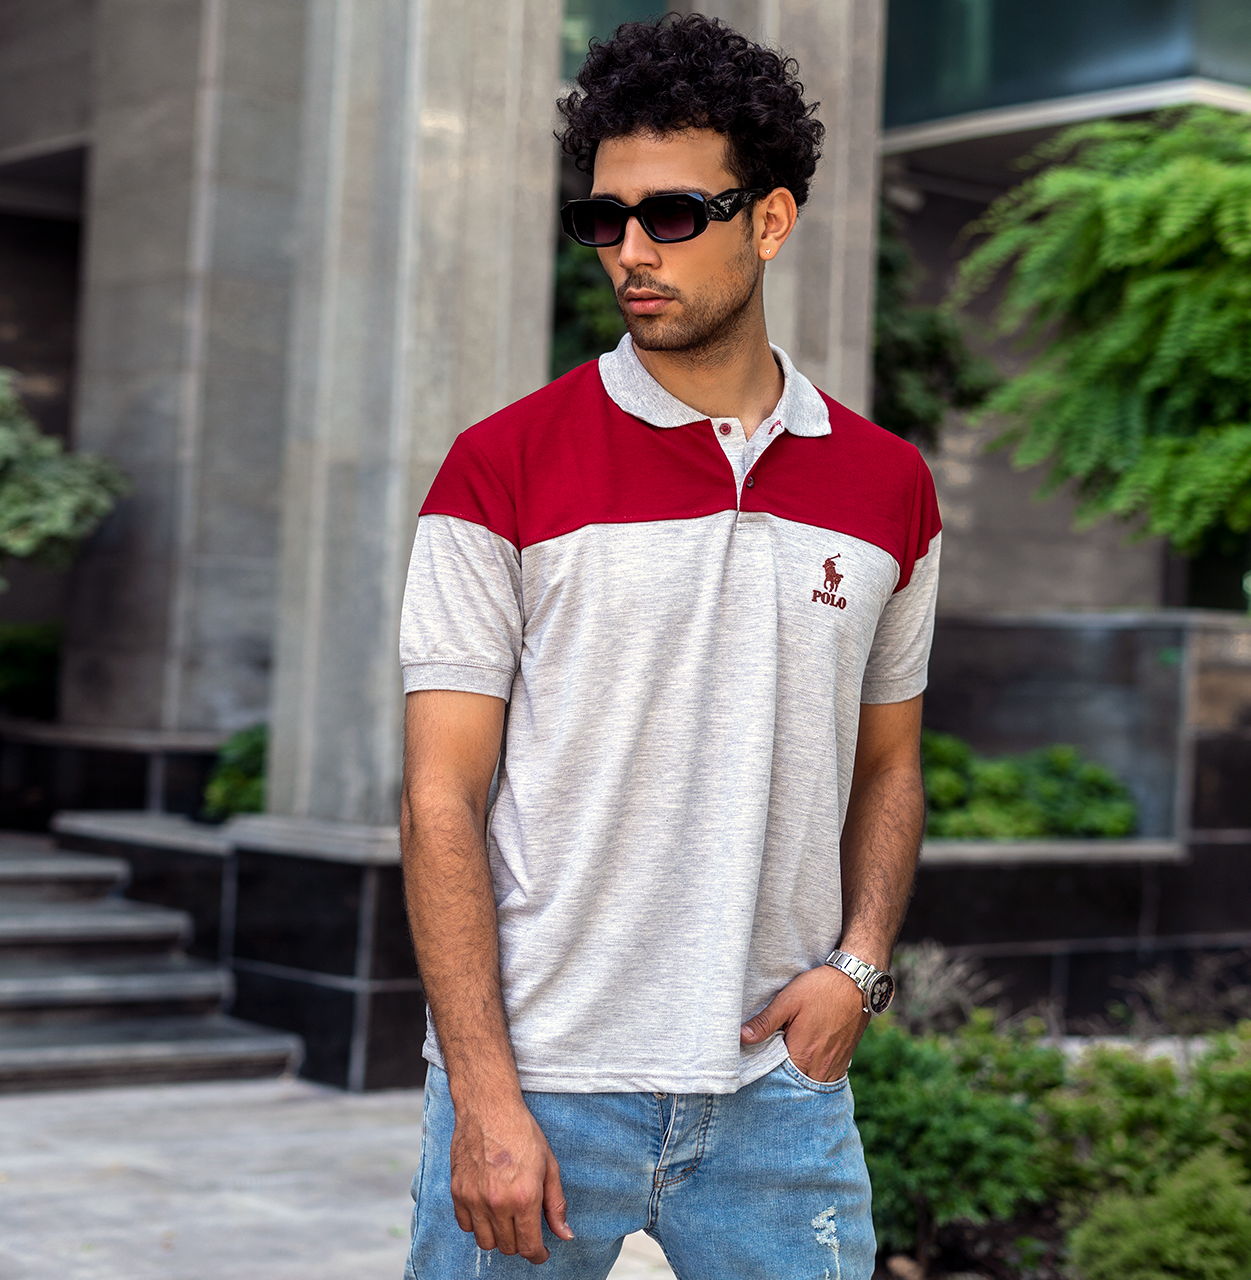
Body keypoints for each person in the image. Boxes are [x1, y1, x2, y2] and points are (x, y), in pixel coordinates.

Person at [398, 14, 939, 1278]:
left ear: (771, 218)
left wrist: (858, 966)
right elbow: (438, 798)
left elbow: (888, 765)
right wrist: (483, 1094)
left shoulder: (887, 486)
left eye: (674, 214)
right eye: (604, 219)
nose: (631, 252)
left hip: (775, 1092)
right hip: (539, 1087)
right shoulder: (498, 465)